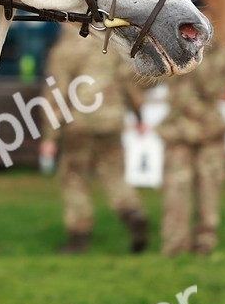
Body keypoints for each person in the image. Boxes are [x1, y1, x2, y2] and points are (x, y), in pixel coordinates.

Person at [39, 29, 151, 254]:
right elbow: (128, 84)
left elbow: (56, 93)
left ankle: (79, 236)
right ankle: (132, 211)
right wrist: (139, 117)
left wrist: (50, 136)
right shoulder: (110, 46)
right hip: (112, 118)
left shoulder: (63, 50)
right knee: (113, 173)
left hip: (80, 122)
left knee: (74, 177)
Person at [158, 13, 225, 256]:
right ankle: (175, 244)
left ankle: (205, 242)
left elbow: (213, 88)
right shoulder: (169, 48)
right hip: (178, 130)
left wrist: (197, 53)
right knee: (176, 189)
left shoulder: (219, 53)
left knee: (209, 189)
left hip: (208, 130)